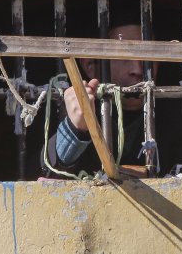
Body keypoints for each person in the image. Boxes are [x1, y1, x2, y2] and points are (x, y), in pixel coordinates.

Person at [45, 21, 153, 177]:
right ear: (90, 65)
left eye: (147, 56)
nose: (137, 69)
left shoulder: (181, 115)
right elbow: (34, 175)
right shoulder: (62, 105)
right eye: (123, 56)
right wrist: (74, 128)